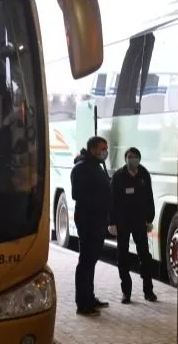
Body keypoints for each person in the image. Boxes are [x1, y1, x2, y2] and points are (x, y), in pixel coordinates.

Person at [108, 147, 158, 304]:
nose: (132, 159)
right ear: (125, 159)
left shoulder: (144, 174)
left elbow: (149, 197)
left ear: (139, 158)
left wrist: (150, 219)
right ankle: (126, 292)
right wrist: (112, 222)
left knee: (145, 255)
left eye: (135, 157)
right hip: (123, 222)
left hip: (139, 221)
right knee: (122, 256)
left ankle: (148, 290)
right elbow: (112, 201)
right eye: (129, 157)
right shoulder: (118, 176)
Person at [71, 136, 112, 317]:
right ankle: (83, 303)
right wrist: (99, 201)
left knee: (92, 261)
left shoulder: (96, 166)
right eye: (103, 148)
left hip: (98, 220)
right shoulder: (82, 168)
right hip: (88, 221)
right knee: (86, 261)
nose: (105, 151)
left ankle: (90, 296)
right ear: (93, 149)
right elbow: (78, 194)